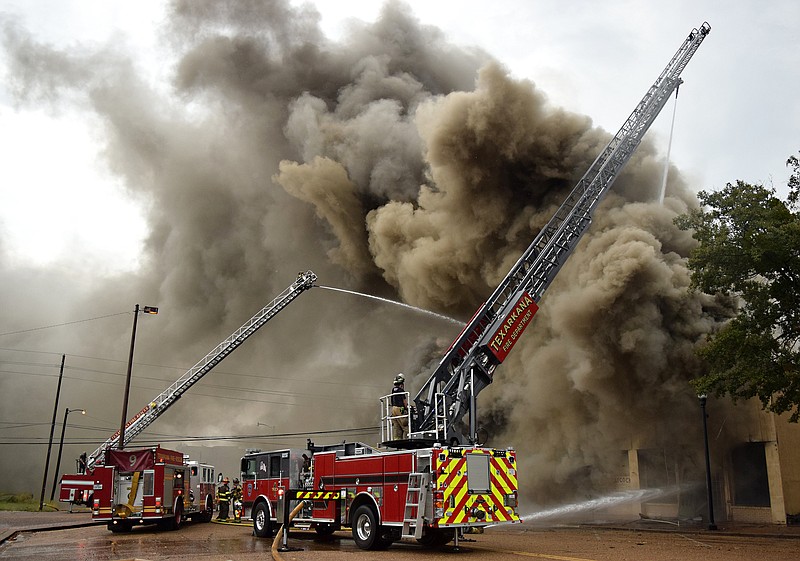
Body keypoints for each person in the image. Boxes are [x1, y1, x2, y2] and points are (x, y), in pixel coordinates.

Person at [391, 373, 409, 440]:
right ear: (401, 383)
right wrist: (407, 408)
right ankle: (407, 439)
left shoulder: (393, 390)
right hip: (399, 409)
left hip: (393, 410)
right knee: (406, 426)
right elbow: (404, 402)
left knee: (397, 427)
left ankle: (397, 440)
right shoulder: (401, 390)